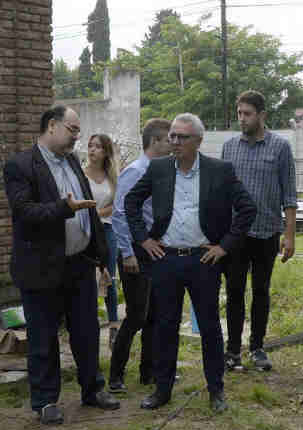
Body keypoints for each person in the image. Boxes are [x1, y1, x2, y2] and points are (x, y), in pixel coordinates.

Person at [124, 113, 256, 413]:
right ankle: (162, 389)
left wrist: (224, 246)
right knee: (164, 327)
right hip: (166, 259)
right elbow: (130, 202)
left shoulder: (219, 171)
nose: (175, 142)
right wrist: (144, 240)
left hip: (203, 261)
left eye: (182, 137)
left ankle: (216, 390)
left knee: (209, 327)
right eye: (172, 136)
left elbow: (247, 209)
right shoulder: (158, 169)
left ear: (198, 140)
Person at [3, 105, 119, 425]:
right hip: (41, 267)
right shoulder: (20, 165)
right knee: (43, 337)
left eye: (78, 131)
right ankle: (45, 401)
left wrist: (100, 259)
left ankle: (92, 389)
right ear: (52, 126)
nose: (77, 137)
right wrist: (63, 208)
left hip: (79, 264)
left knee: (86, 332)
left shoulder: (71, 162)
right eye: (72, 130)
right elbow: (25, 213)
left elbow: (90, 213)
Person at [220, 90, 298, 372]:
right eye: (239, 113)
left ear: (262, 115)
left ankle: (257, 347)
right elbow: (222, 194)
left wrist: (289, 235)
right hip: (236, 234)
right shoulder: (229, 148)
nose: (242, 119)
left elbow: (289, 195)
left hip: (267, 232)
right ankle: (232, 351)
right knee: (235, 291)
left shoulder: (280, 148)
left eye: (247, 113)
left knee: (261, 291)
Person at [108, 118, 173, 394]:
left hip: (156, 249)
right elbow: (120, 214)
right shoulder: (135, 172)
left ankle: (149, 372)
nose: (174, 143)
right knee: (136, 315)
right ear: (156, 141)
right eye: (170, 139)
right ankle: (115, 376)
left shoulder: (162, 171)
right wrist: (126, 254)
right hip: (135, 251)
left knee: (156, 315)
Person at [84, 133, 121, 347]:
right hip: (86, 231)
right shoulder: (81, 174)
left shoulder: (112, 176)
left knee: (109, 276)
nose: (92, 150)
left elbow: (116, 205)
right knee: (89, 277)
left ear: (106, 151)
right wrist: (94, 215)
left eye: (97, 146)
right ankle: (89, 323)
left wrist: (98, 214)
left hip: (107, 229)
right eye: (90, 146)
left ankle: (114, 325)